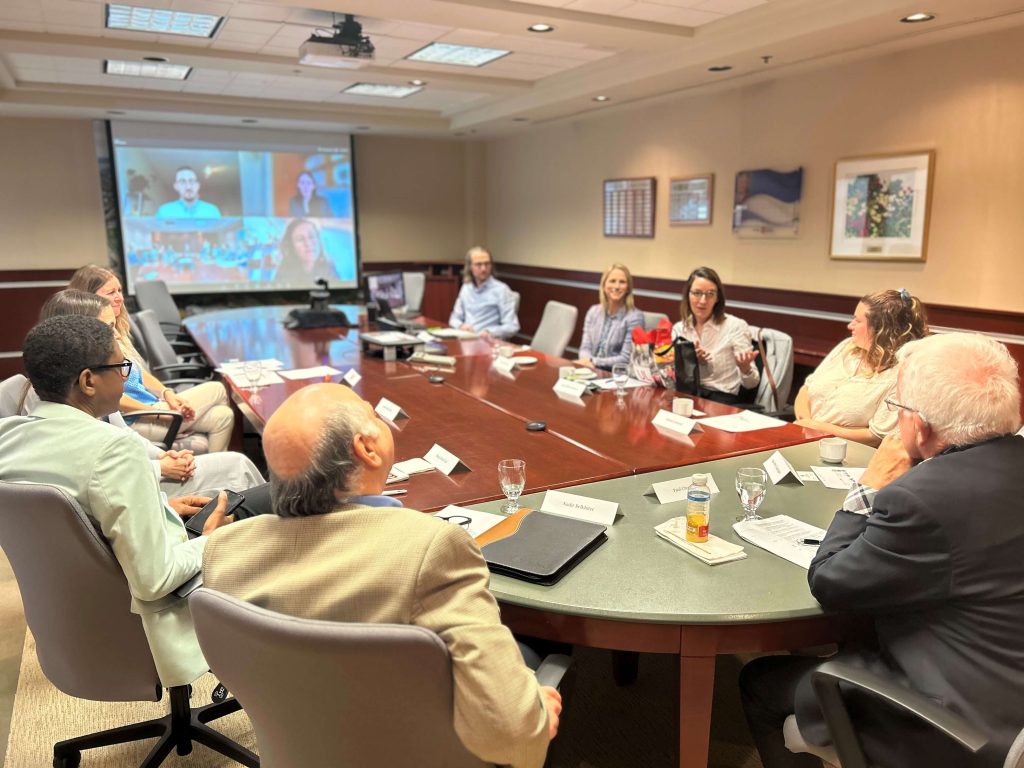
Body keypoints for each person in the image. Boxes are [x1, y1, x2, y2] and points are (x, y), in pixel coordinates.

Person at [202, 383, 561, 768]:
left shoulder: (223, 550)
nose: (377, 414)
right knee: (543, 654)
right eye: (371, 413)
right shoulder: (433, 547)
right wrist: (536, 708)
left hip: (298, 751)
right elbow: (510, 732)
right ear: (367, 449)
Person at [740, 332, 1024, 768]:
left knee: (759, 681)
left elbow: (829, 580)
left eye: (898, 409)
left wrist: (870, 485)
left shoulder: (919, 499)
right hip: (1008, 691)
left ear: (921, 425)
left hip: (962, 728)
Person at [0, 315, 234, 686]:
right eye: (121, 366)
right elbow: (155, 582)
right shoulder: (113, 449)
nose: (126, 377)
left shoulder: (7, 437)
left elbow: (78, 521)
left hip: (72, 622)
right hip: (147, 624)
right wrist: (215, 540)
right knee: (257, 522)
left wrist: (160, 508)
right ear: (88, 381)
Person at [36, 289, 265, 498]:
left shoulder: (85, 398)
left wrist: (161, 456)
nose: (115, 336)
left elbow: (126, 435)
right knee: (239, 467)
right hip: (142, 487)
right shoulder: (79, 415)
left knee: (231, 444)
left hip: (146, 472)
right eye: (107, 328)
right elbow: (107, 479)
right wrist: (160, 467)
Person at [68, 265, 235, 453]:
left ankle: (209, 474)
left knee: (224, 416)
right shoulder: (92, 339)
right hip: (135, 419)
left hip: (151, 407)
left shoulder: (116, 328)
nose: (119, 298)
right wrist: (159, 414)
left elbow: (139, 371)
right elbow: (108, 394)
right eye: (110, 292)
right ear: (90, 299)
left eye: (120, 291)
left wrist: (167, 393)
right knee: (218, 388)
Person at [794, 288, 928, 446]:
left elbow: (876, 436)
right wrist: (805, 422)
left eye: (857, 321)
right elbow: (806, 389)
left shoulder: (901, 374)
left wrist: (819, 428)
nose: (850, 326)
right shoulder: (847, 348)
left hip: (847, 454)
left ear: (881, 330)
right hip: (800, 437)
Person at [671, 266, 759, 403]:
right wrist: (691, 362)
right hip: (688, 394)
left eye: (710, 294)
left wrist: (745, 368)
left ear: (718, 298)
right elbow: (670, 374)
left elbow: (752, 384)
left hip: (722, 398)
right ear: (688, 295)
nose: (703, 301)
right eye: (697, 293)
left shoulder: (735, 326)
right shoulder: (679, 328)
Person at [575, 263, 644, 371]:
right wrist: (587, 362)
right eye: (612, 281)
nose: (616, 286)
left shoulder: (635, 317)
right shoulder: (593, 311)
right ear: (604, 285)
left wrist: (593, 361)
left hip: (616, 376)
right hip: (589, 370)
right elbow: (585, 348)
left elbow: (626, 359)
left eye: (622, 282)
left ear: (628, 288)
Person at [448, 246, 520, 339]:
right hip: (465, 340)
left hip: (487, 342)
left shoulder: (501, 290)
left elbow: (512, 326)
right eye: (478, 264)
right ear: (470, 267)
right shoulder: (466, 287)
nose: (483, 269)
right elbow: (454, 318)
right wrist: (461, 326)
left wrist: (490, 332)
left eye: (487, 264)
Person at [274, 218, 340, 284]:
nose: (308, 244)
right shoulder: (283, 274)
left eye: (311, 237)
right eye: (300, 239)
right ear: (291, 247)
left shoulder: (330, 270)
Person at [155, 166, 222, 219]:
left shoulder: (212, 211)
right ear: (176, 186)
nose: (188, 187)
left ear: (198, 185)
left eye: (191, 181)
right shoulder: (164, 211)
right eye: (182, 182)